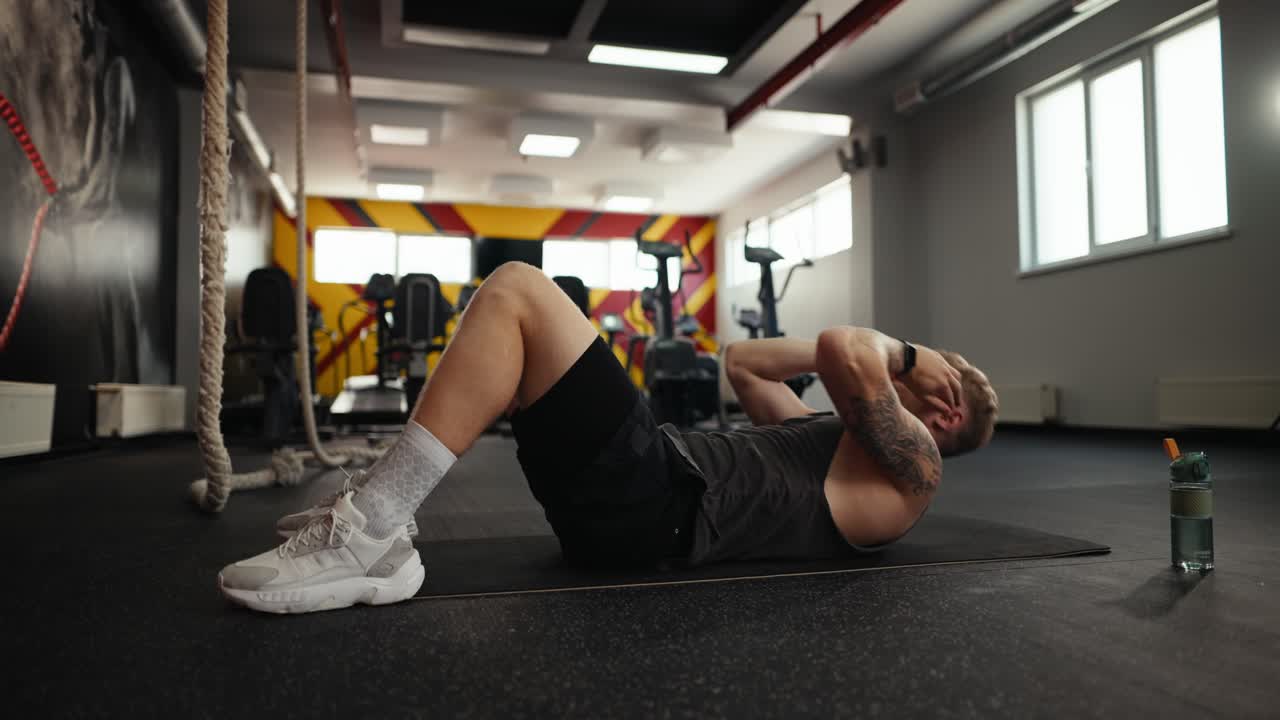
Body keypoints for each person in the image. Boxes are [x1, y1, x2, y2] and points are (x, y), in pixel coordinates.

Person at [218, 261, 999, 614]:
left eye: (933, 383)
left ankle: (376, 527)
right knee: (518, 331)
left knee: (520, 291)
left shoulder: (911, 474)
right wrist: (907, 363)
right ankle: (379, 512)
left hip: (655, 498)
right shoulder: (837, 448)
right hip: (636, 497)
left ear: (945, 413)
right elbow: (747, 364)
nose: (909, 375)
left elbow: (841, 347)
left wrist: (914, 358)